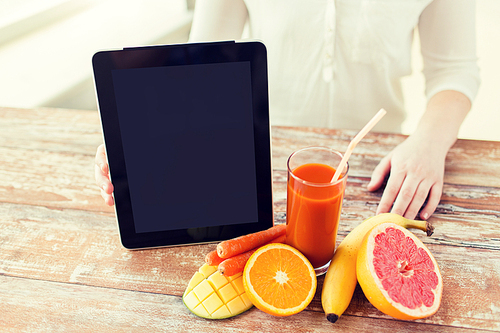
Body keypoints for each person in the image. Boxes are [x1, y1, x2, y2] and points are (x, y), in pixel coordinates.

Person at [95, 0, 480, 220]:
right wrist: (140, 134)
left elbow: (454, 70)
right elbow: (202, 63)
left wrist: (429, 144)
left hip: (376, 177)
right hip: (257, 169)